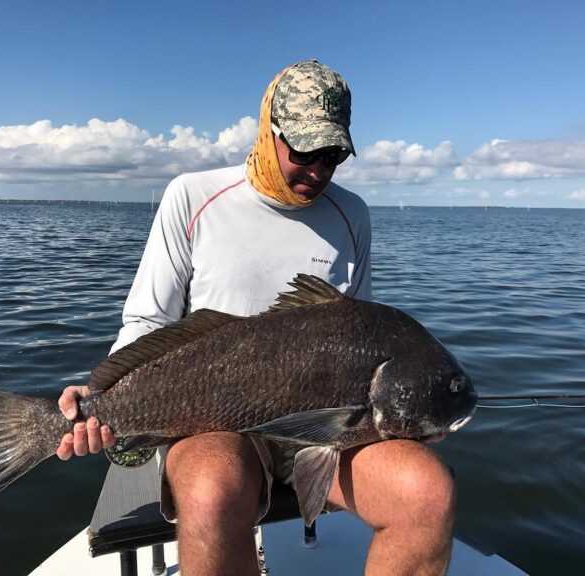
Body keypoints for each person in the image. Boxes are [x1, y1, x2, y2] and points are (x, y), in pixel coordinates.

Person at [56, 60, 456, 576]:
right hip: (213, 419)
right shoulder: (192, 197)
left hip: (327, 427)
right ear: (269, 132)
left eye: (333, 154)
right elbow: (148, 321)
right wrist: (102, 397)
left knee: (428, 493)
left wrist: (410, 412)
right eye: (306, 150)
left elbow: (359, 330)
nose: (318, 170)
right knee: (211, 489)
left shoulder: (351, 214)